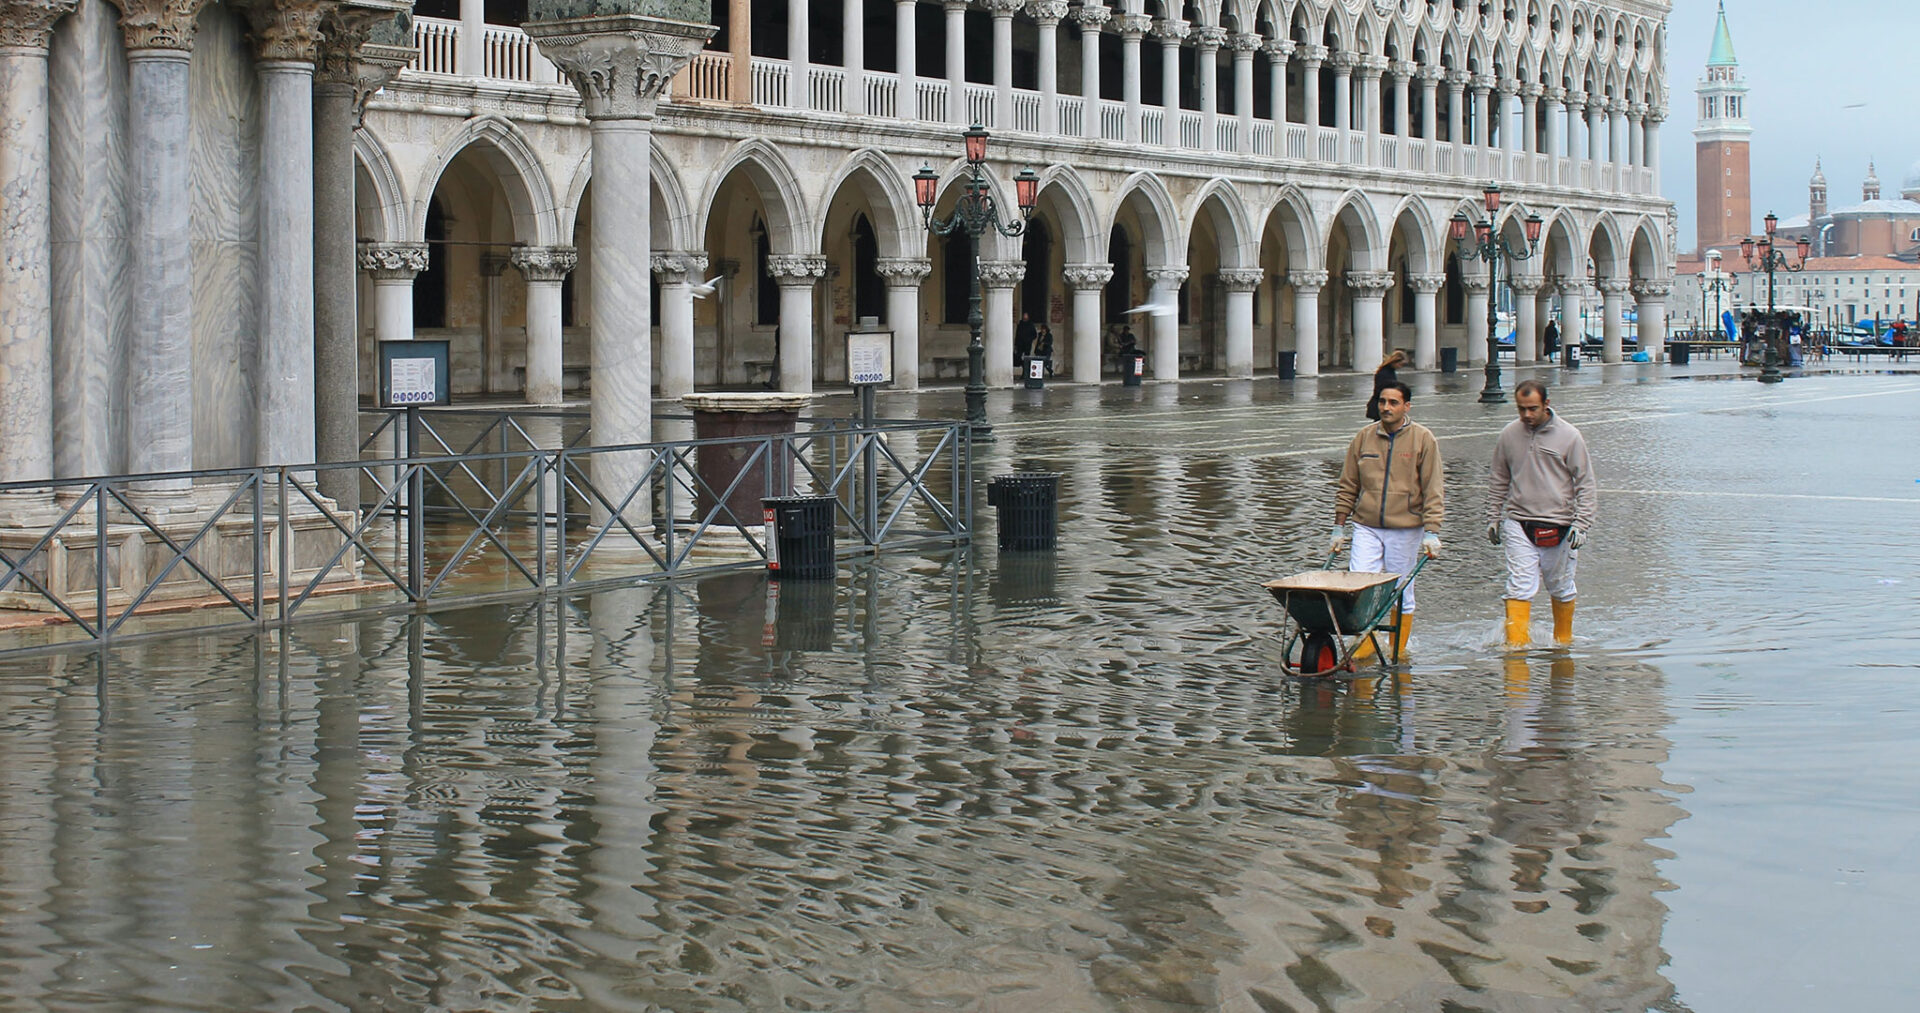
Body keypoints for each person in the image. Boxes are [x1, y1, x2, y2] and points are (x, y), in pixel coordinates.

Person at [1331, 381, 1444, 660]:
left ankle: (1398, 648)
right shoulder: (1363, 438)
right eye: (1382, 402)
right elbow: (1348, 485)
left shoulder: (1423, 439)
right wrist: (1338, 527)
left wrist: (1432, 531)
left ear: (1407, 406)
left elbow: (1433, 488)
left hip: (1405, 527)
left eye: (1393, 403)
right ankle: (1364, 644)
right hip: (1367, 525)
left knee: (1399, 588)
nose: (1386, 408)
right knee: (1359, 585)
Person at [1486, 379, 1597, 648]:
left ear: (1546, 404)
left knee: (1560, 586)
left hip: (1561, 524)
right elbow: (1499, 477)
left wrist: (1582, 524)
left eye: (1532, 409)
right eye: (1521, 409)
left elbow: (1585, 482)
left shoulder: (1570, 436)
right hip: (1518, 521)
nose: (1526, 415)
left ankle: (1563, 643)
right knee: (1519, 586)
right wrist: (1493, 517)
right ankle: (1515, 651)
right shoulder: (1509, 435)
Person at [1364, 349, 1408, 421]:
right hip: (1380, 404)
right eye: (1401, 364)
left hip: (1380, 404)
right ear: (1395, 361)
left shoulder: (1387, 371)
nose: (1400, 367)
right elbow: (1383, 387)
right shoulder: (1385, 372)